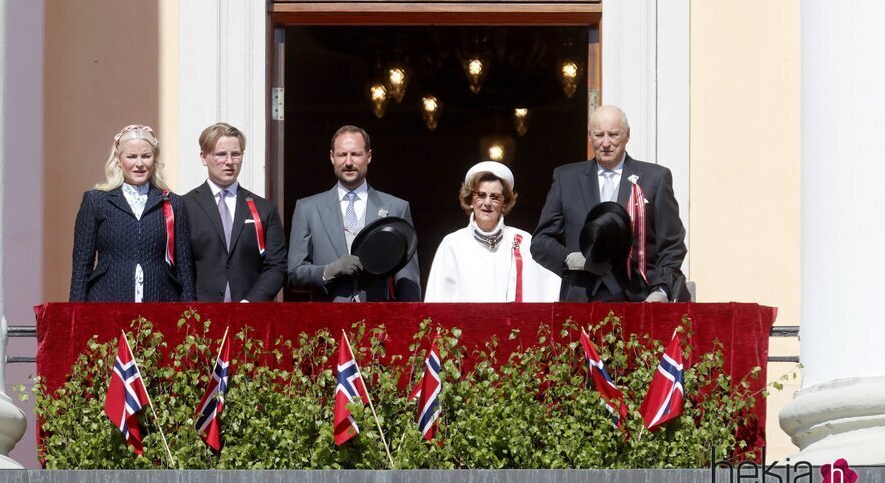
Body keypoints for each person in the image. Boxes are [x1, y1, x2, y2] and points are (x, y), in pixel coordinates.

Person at [530, 105, 687, 302]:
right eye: (598, 135)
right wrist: (575, 260)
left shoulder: (655, 179)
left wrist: (662, 290)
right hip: (581, 302)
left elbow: (672, 245)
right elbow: (541, 243)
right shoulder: (566, 179)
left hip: (639, 300)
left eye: (613, 134)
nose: (605, 143)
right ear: (589, 136)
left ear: (627, 136)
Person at [288, 125, 421, 301]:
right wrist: (329, 270)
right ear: (331, 157)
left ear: (369, 156)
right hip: (327, 322)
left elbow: (407, 280)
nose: (348, 162)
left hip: (379, 322)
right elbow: (294, 274)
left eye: (356, 154)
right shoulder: (308, 209)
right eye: (342, 155)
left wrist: (408, 323)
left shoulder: (396, 207)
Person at [70, 124, 194, 302]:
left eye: (146, 156)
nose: (139, 164)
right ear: (118, 159)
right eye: (131, 156)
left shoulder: (173, 203)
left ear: (155, 159)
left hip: (161, 301)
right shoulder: (96, 201)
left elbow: (184, 268)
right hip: (107, 302)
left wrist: (189, 316)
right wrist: (75, 316)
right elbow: (82, 265)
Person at [425, 162, 561, 302]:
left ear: (505, 203)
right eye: (481, 195)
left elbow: (551, 291)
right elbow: (436, 300)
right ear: (471, 200)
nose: (488, 203)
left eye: (495, 197)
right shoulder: (453, 244)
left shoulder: (524, 241)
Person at [184, 123, 287, 302]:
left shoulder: (264, 209)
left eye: (236, 154)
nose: (230, 162)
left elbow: (276, 266)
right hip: (200, 314)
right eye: (221, 154)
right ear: (203, 157)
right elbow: (180, 266)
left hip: (251, 314)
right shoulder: (185, 206)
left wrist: (250, 303)